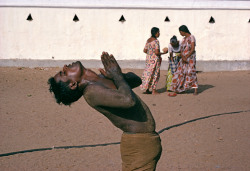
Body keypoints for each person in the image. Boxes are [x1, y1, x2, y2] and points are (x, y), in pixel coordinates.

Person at [48, 52, 162, 171]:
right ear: (72, 84)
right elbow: (128, 100)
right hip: (138, 144)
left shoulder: (100, 79)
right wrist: (117, 75)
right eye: (64, 73)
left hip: (145, 143)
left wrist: (118, 75)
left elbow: (136, 81)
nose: (65, 66)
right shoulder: (91, 92)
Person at [168, 25, 198, 97]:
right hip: (183, 58)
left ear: (183, 31)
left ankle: (195, 89)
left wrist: (186, 57)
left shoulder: (192, 37)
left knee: (191, 72)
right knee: (179, 72)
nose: (180, 34)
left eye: (180, 32)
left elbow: (192, 49)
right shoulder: (183, 39)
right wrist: (182, 56)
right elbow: (181, 50)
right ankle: (179, 88)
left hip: (190, 58)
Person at [140, 27, 167, 95]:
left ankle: (147, 89)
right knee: (155, 74)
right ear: (155, 33)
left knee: (148, 73)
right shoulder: (156, 41)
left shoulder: (148, 40)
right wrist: (164, 53)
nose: (159, 33)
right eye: (158, 32)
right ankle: (154, 90)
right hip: (155, 60)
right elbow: (157, 52)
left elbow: (145, 50)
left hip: (149, 59)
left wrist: (150, 54)